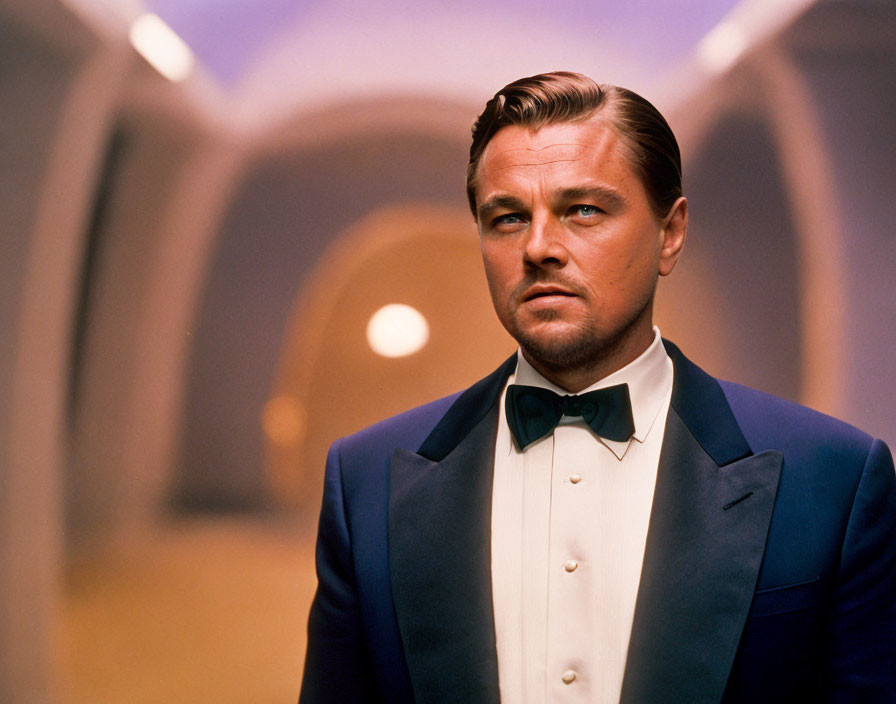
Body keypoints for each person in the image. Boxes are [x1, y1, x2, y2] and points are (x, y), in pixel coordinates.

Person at [298, 72, 896, 703]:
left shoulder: (833, 481)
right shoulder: (366, 483)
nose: (538, 247)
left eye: (583, 210)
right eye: (506, 218)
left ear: (671, 233)